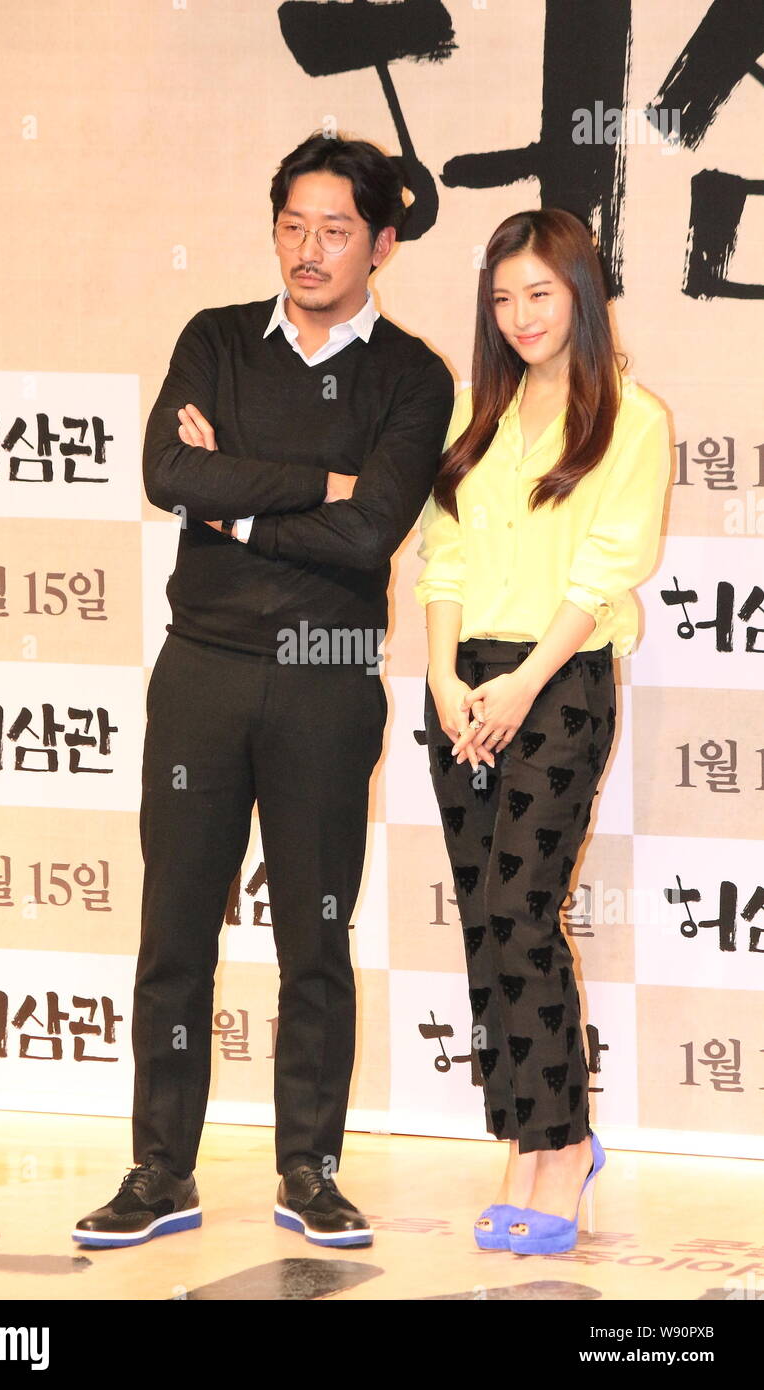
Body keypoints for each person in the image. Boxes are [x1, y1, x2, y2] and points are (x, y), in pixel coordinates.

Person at [72, 131, 453, 1249]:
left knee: (314, 937)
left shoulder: (413, 376)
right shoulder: (217, 342)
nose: (308, 248)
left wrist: (232, 504)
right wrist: (305, 486)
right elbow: (165, 471)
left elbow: (371, 529)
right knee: (174, 932)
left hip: (326, 681)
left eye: (336, 230)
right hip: (202, 667)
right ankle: (158, 1171)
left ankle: (309, 1169)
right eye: (292, 224)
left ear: (382, 243)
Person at [414, 207, 671, 1255]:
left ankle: (562, 1143)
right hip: (461, 688)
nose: (520, 315)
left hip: (555, 682)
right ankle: (519, 1136)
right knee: (484, 921)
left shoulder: (631, 418)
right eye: (502, 298)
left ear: (577, 291)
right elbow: (441, 555)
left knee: (522, 910)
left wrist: (521, 680)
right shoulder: (470, 414)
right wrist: (439, 675)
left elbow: (606, 564)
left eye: (539, 293)